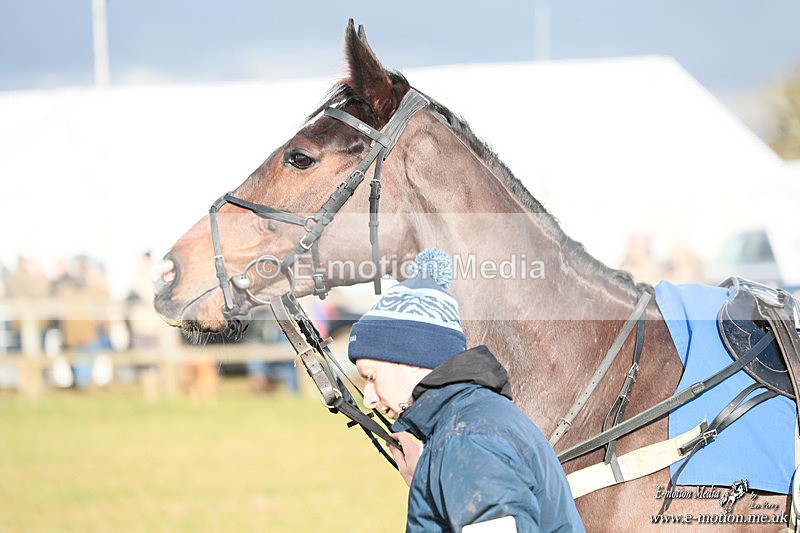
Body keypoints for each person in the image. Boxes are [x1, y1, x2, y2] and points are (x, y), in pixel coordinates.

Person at [348, 249, 584, 532]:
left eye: (371, 377)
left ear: (412, 360)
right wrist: (426, 480)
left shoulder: (466, 439)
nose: (369, 398)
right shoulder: (473, 419)